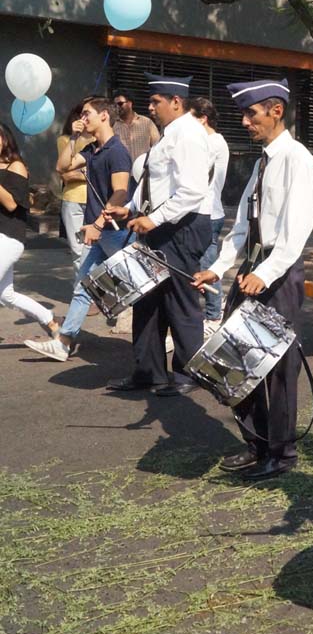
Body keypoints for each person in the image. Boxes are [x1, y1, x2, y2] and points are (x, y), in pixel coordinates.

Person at [192, 78, 313, 480]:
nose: (245, 122)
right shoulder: (263, 161)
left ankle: (280, 454)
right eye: (244, 115)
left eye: (251, 113)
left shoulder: (297, 159)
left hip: (277, 277)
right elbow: (243, 227)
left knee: (279, 371)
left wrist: (264, 274)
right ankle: (256, 443)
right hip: (252, 273)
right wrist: (219, 268)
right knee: (234, 362)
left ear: (276, 110)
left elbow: (295, 232)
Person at [102, 73, 211, 396]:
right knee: (147, 300)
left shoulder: (188, 134)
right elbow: (155, 182)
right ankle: (148, 372)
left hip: (181, 227)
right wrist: (130, 209)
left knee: (180, 302)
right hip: (159, 225)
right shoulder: (169, 134)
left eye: (155, 101)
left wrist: (154, 219)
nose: (150, 107)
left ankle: (188, 374)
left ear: (176, 102)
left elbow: (192, 191)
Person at [24, 96, 136, 362]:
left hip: (115, 230)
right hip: (99, 231)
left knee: (139, 287)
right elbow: (62, 167)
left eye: (87, 114)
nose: (82, 119)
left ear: (104, 116)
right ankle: (64, 342)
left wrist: (98, 224)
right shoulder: (94, 149)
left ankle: (168, 331)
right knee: (84, 285)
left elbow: (121, 192)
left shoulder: (117, 151)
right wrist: (74, 138)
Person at [0, 123, 61, 340]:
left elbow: (11, 204)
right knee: (6, 295)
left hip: (8, 237)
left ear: (5, 139)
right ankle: (51, 321)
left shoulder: (16, 166)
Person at [189, 96, 230, 330]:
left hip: (209, 213)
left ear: (203, 119)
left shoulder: (212, 143)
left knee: (208, 266)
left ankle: (214, 315)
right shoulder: (210, 141)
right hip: (206, 211)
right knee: (202, 265)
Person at [55, 102, 95, 279]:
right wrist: (89, 172)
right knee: (78, 249)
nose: (85, 118)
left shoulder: (99, 140)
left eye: (88, 114)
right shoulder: (65, 140)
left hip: (96, 199)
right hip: (73, 199)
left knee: (96, 248)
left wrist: (81, 172)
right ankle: (82, 289)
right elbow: (65, 173)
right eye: (82, 114)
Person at [112, 91, 160, 160]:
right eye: (115, 105)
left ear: (130, 104)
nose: (117, 107)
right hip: (122, 166)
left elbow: (157, 146)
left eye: (120, 104)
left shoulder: (146, 123)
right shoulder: (113, 125)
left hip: (143, 166)